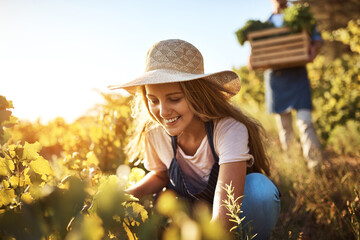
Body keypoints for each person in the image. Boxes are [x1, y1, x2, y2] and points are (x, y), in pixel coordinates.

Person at [109, 39, 280, 239]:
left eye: (174, 98)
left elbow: (224, 214)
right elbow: (161, 175)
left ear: (196, 95)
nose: (163, 112)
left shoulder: (228, 130)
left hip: (231, 215)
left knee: (259, 190)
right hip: (190, 218)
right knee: (164, 197)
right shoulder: (154, 132)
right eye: (153, 100)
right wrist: (129, 194)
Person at [263, 0, 323, 169]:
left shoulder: (300, 18)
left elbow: (317, 39)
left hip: (298, 75)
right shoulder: (265, 25)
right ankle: (294, 164)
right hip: (276, 79)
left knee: (305, 122)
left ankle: (315, 165)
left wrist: (314, 48)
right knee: (284, 127)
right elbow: (256, 51)